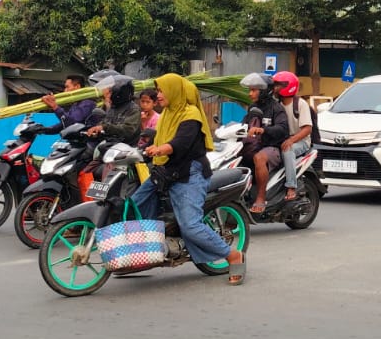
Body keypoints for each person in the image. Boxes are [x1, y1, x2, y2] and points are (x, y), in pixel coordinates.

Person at [135, 74, 245, 284]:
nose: (158, 95)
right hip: (166, 171)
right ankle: (149, 251)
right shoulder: (167, 113)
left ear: (175, 91)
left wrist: (160, 149)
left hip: (189, 174)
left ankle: (232, 256)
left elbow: (180, 143)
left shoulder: (190, 114)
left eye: (161, 91)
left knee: (190, 225)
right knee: (136, 203)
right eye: (157, 91)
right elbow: (158, 136)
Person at [246, 73, 292, 215]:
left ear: (264, 91)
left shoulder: (276, 108)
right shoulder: (252, 107)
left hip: (273, 148)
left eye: (254, 90)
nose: (250, 94)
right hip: (254, 145)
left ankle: (261, 198)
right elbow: (244, 123)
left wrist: (263, 130)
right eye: (250, 90)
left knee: (259, 158)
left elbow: (283, 128)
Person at [272, 71, 315, 203]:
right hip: (282, 139)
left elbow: (307, 129)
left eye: (278, 85)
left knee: (287, 150)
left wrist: (291, 140)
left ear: (288, 86)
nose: (275, 88)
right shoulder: (276, 103)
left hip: (300, 141)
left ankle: (291, 186)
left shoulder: (300, 104)